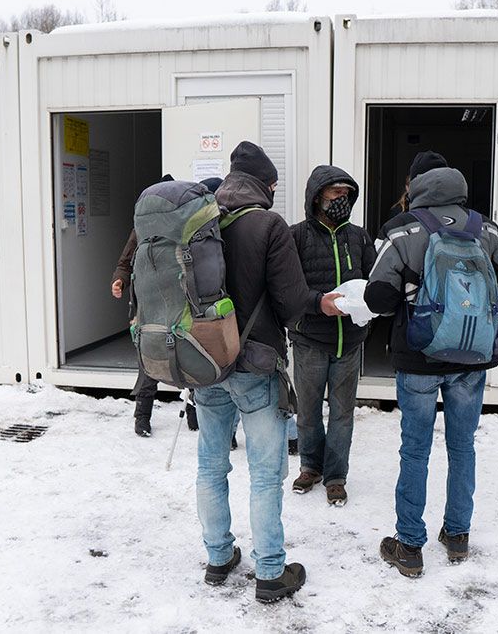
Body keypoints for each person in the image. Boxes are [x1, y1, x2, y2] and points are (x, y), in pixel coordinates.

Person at [364, 161, 498, 577]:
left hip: (419, 355)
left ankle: (409, 545)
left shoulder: (401, 227)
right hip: (472, 356)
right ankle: (457, 536)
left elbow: (378, 297)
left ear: (415, 184)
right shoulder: (483, 227)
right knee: (462, 446)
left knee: (415, 449)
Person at [195, 141, 342, 602]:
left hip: (205, 362)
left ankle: (218, 558)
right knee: (263, 474)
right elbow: (293, 299)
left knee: (210, 466)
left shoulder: (200, 220)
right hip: (255, 365)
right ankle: (270, 573)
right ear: (266, 184)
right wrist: (324, 302)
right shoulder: (268, 225)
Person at [288, 165, 376, 506]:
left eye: (347, 194)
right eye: (336, 193)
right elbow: (289, 289)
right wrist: (317, 305)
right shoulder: (295, 237)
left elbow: (374, 281)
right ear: (317, 197)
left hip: (350, 342)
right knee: (308, 412)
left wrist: (369, 311)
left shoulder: (359, 236)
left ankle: (336, 475)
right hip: (310, 340)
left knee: (342, 413)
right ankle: (311, 466)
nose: (343, 199)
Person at [112, 175, 226, 437]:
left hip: (180, 299)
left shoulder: (189, 224)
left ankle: (194, 416)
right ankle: (142, 415)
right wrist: (119, 279)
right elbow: (129, 256)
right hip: (150, 302)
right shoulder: (147, 227)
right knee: (152, 357)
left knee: (190, 351)